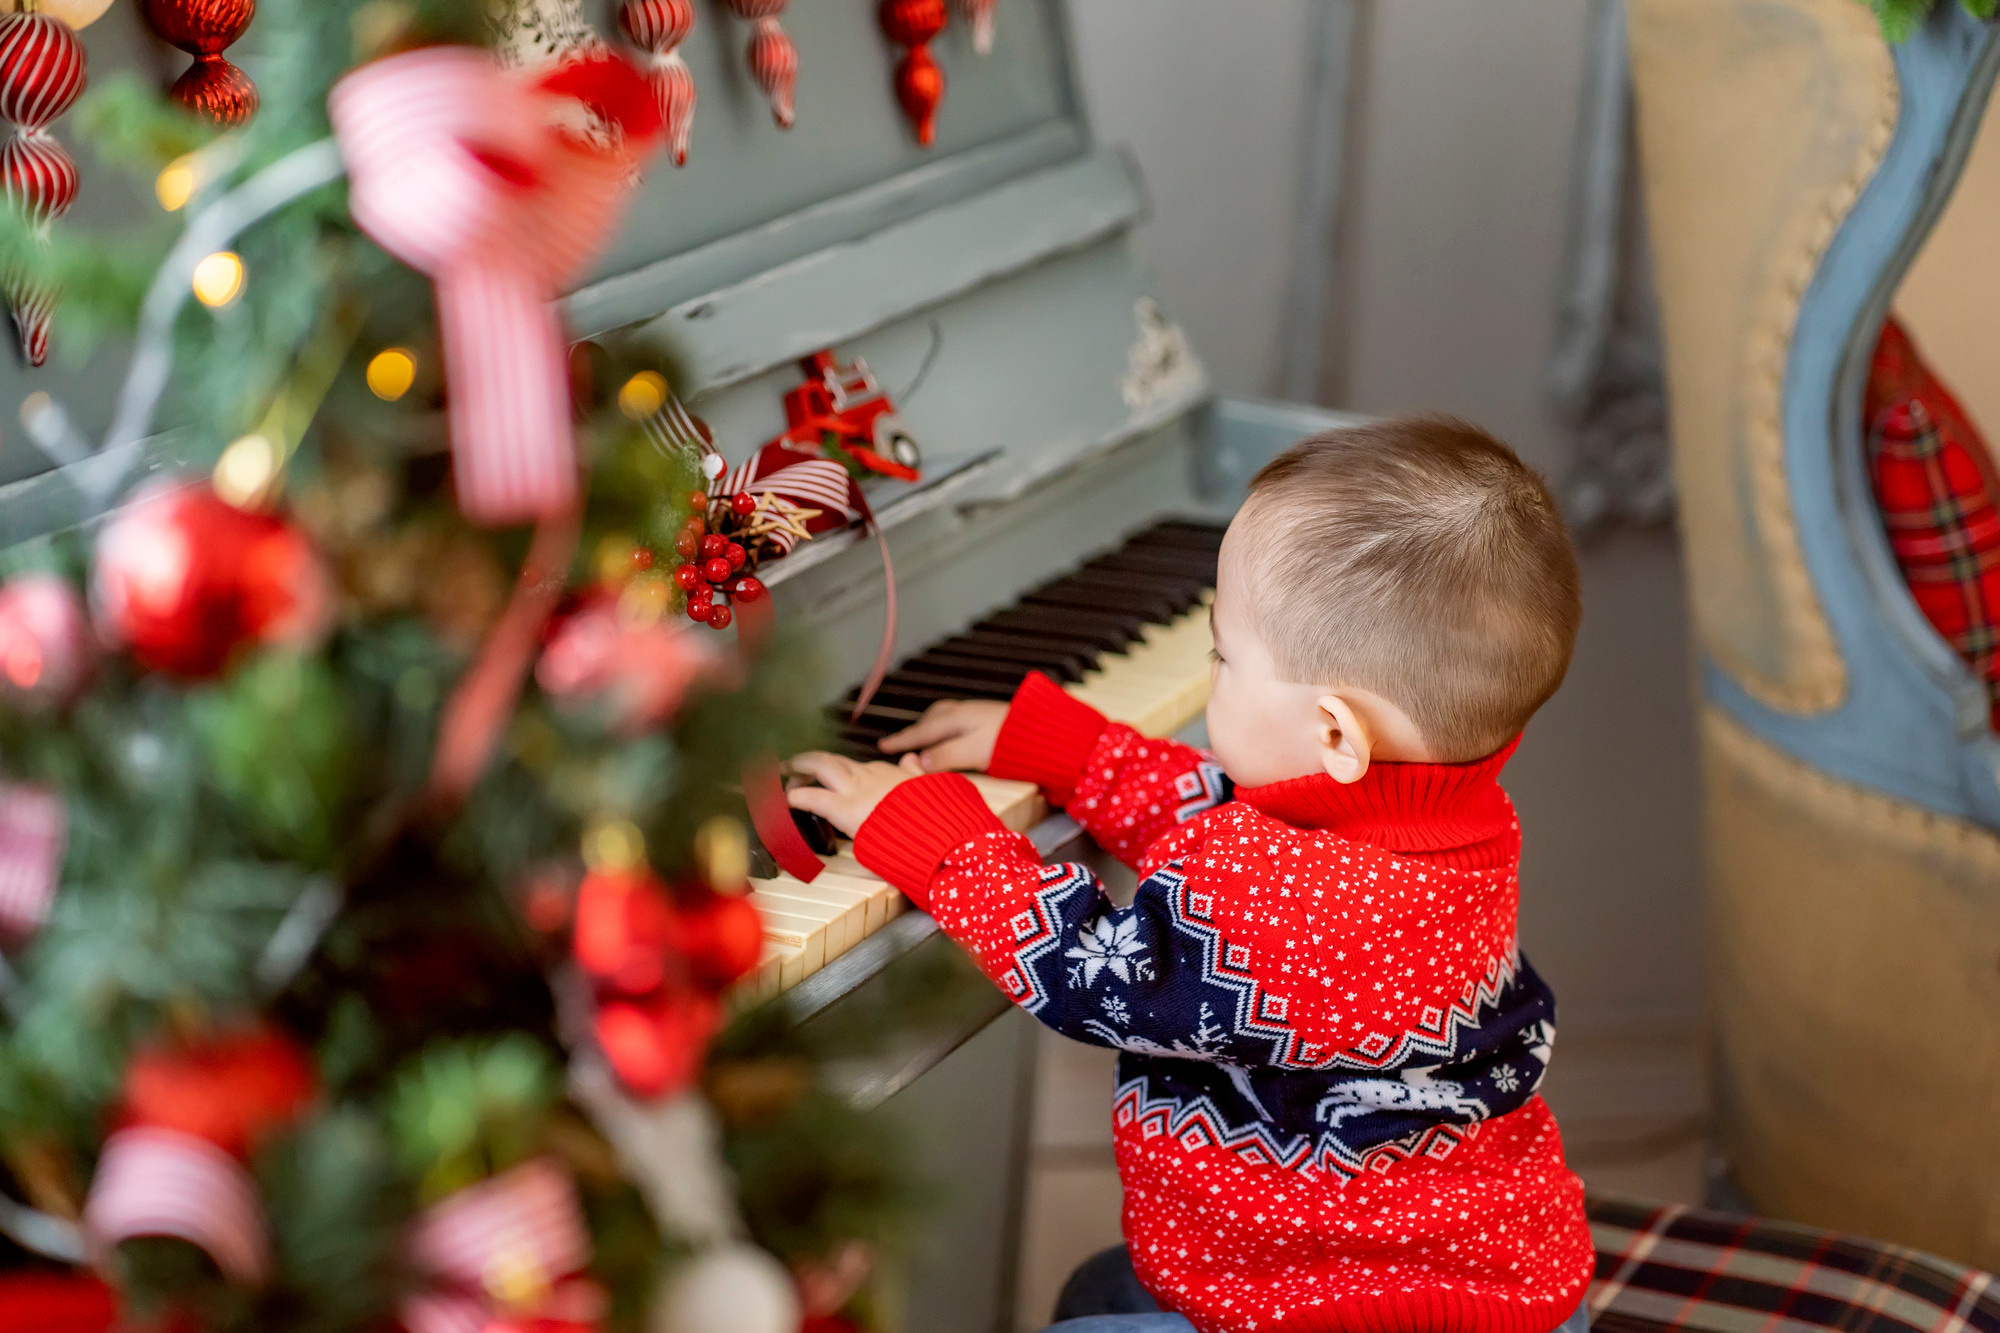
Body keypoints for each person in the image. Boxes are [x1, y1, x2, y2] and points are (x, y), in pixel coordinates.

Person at [786, 417, 1596, 1333]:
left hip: (1359, 1311)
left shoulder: (1293, 902)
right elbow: (1229, 813)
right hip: (1465, 1274)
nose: (1211, 667)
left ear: (1333, 733)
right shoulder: (1458, 824)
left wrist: (934, 832)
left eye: (1222, 654)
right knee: (1102, 1292)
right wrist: (1071, 749)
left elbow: (1088, 969)